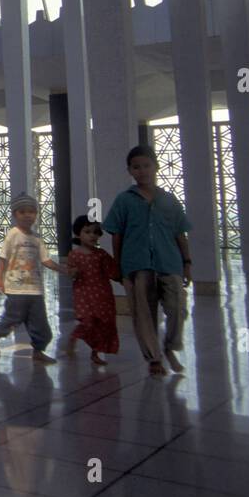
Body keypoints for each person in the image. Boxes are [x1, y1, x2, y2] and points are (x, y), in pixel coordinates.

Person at [102, 145, 193, 377]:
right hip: (137, 265)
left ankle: (171, 346)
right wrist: (120, 266)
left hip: (169, 262)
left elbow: (180, 234)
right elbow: (117, 234)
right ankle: (154, 358)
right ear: (130, 171)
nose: (142, 171)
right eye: (136, 167)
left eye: (146, 165)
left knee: (177, 309)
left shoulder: (169, 200)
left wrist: (187, 262)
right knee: (144, 313)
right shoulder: (125, 200)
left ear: (155, 167)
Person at [0, 192, 69, 364]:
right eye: (22, 212)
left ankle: (38, 350)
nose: (27, 215)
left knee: (40, 323)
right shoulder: (13, 234)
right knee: (12, 319)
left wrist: (63, 269)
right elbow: (3, 258)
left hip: (35, 289)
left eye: (31, 212)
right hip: (15, 288)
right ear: (15, 215)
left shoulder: (37, 239)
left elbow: (46, 260)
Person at [63, 216, 121, 364]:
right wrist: (73, 272)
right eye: (87, 231)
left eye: (95, 232)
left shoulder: (101, 255)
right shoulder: (74, 255)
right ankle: (74, 337)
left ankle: (95, 353)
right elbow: (70, 271)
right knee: (88, 321)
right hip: (84, 294)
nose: (92, 235)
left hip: (102, 295)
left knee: (102, 324)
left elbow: (113, 272)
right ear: (78, 234)